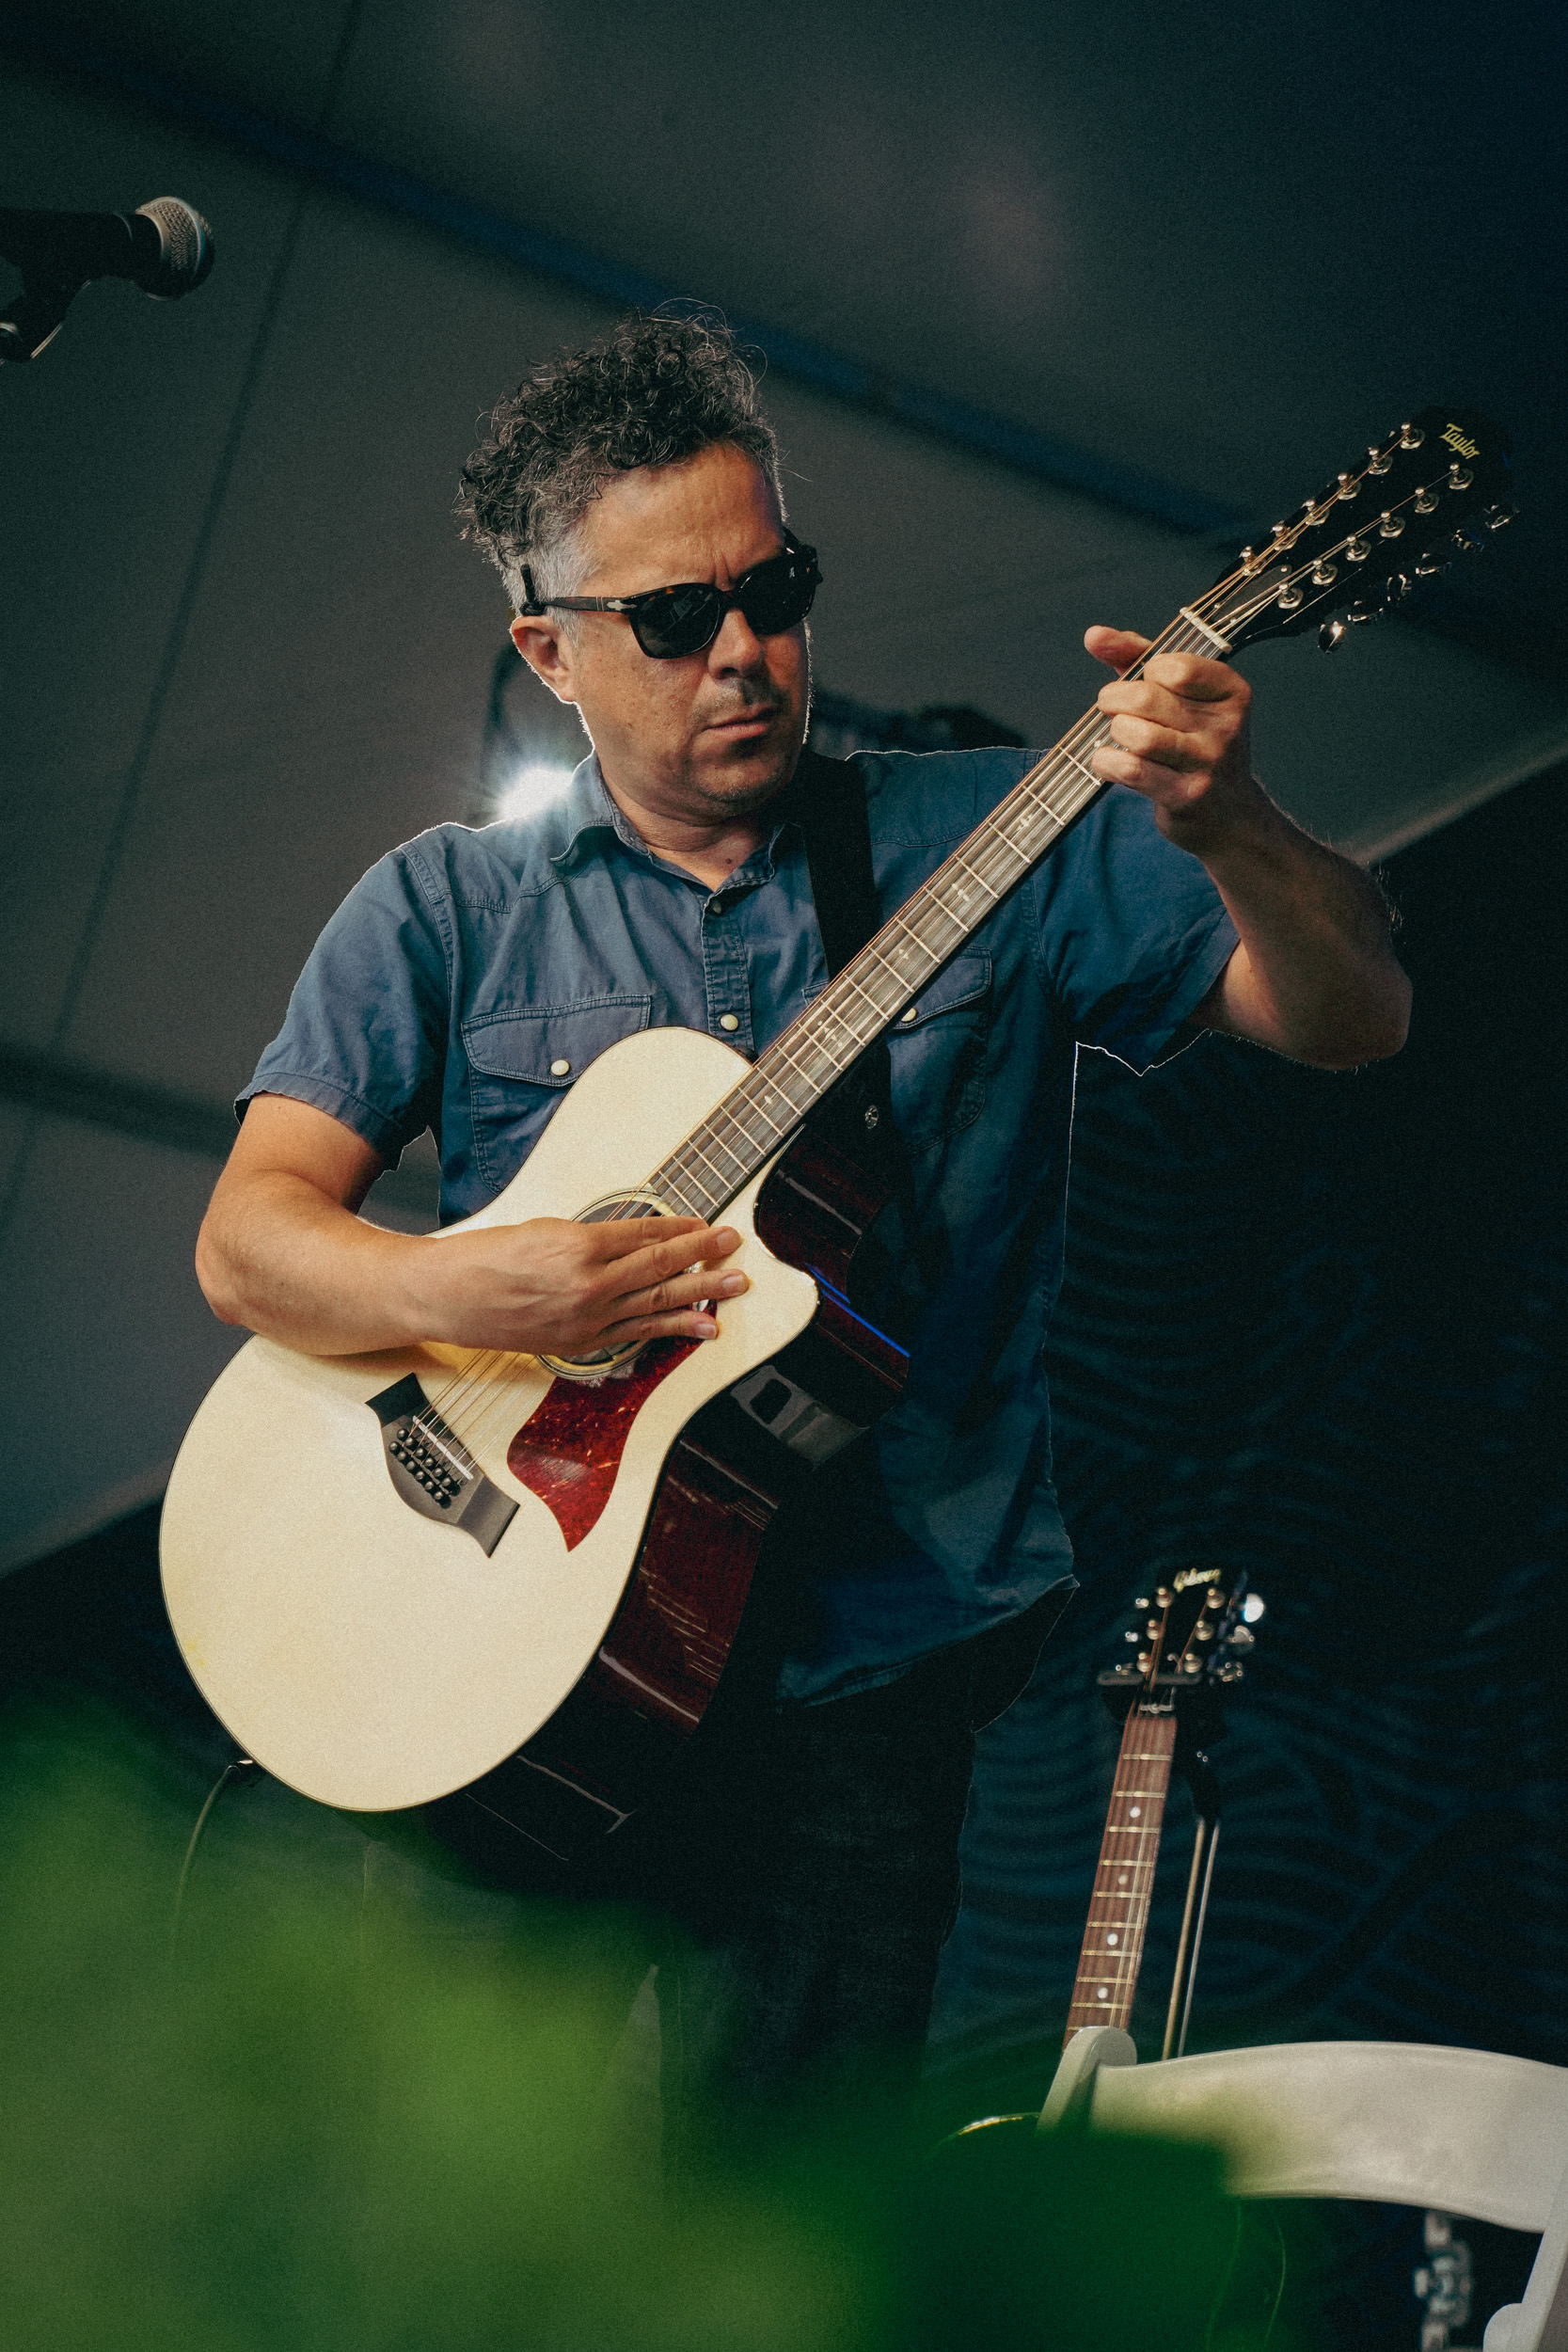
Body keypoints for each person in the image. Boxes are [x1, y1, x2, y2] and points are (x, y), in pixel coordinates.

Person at [194, 315, 1409, 2169]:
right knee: (435, 2221)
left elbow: (1351, 1015)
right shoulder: (447, 904)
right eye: (676, 620)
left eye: (776, 589)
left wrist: (1231, 821)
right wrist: (472, 1281)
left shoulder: (988, 834)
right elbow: (252, 1242)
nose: (746, 650)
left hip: (858, 1700)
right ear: (551, 649)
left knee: (768, 2252)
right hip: (492, 1671)